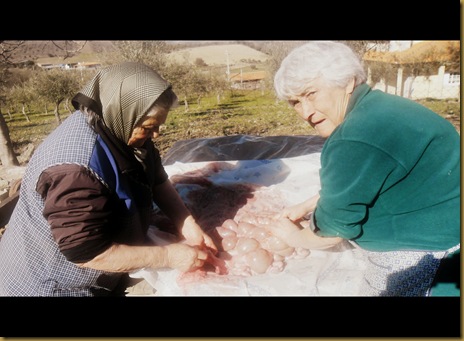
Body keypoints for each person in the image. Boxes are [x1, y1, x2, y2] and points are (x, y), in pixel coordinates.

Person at [0, 61, 218, 296]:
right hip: (51, 286)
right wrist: (169, 255)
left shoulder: (119, 126)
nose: (155, 134)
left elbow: (156, 178)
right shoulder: (75, 171)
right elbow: (87, 252)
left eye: (158, 126)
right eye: (148, 127)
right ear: (123, 112)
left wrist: (188, 226)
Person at [270, 41, 460, 296]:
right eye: (295, 102)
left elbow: (331, 232)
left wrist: (294, 237)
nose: (305, 112)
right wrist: (307, 206)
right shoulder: (382, 108)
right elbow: (369, 180)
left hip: (423, 252)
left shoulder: (353, 138)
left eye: (310, 94)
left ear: (348, 81)